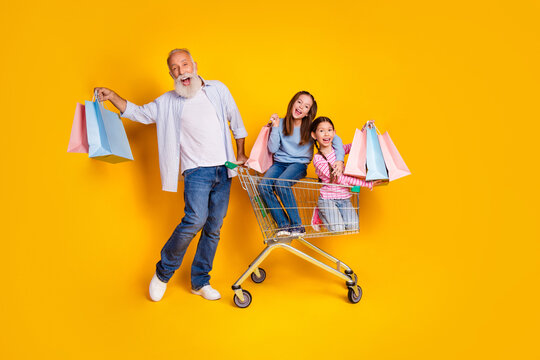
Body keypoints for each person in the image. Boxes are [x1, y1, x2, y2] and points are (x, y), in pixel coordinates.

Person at [94, 48, 248, 302]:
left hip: (225, 168)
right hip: (196, 172)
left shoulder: (217, 89)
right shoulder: (167, 102)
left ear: (194, 65)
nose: (181, 71)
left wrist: (240, 153)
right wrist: (112, 96)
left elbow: (237, 121)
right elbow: (138, 113)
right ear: (170, 74)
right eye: (175, 68)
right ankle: (163, 273)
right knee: (195, 220)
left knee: (214, 227)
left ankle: (200, 282)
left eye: (184, 64)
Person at [257, 91, 345, 237]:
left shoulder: (311, 127)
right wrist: (275, 127)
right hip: (280, 164)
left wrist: (339, 160)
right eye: (299, 102)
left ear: (307, 113)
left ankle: (297, 225)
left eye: (306, 106)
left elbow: (336, 139)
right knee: (263, 186)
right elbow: (272, 148)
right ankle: (284, 225)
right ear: (293, 103)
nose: (301, 107)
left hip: (298, 165)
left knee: (281, 184)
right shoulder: (280, 123)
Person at [310, 116, 380, 232]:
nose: (326, 134)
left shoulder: (338, 150)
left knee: (353, 227)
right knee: (338, 229)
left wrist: (364, 131)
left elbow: (354, 147)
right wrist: (367, 183)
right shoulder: (318, 159)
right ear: (314, 135)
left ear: (334, 133)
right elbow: (340, 179)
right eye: (321, 131)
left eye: (329, 130)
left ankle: (326, 214)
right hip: (328, 199)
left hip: (344, 199)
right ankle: (320, 214)